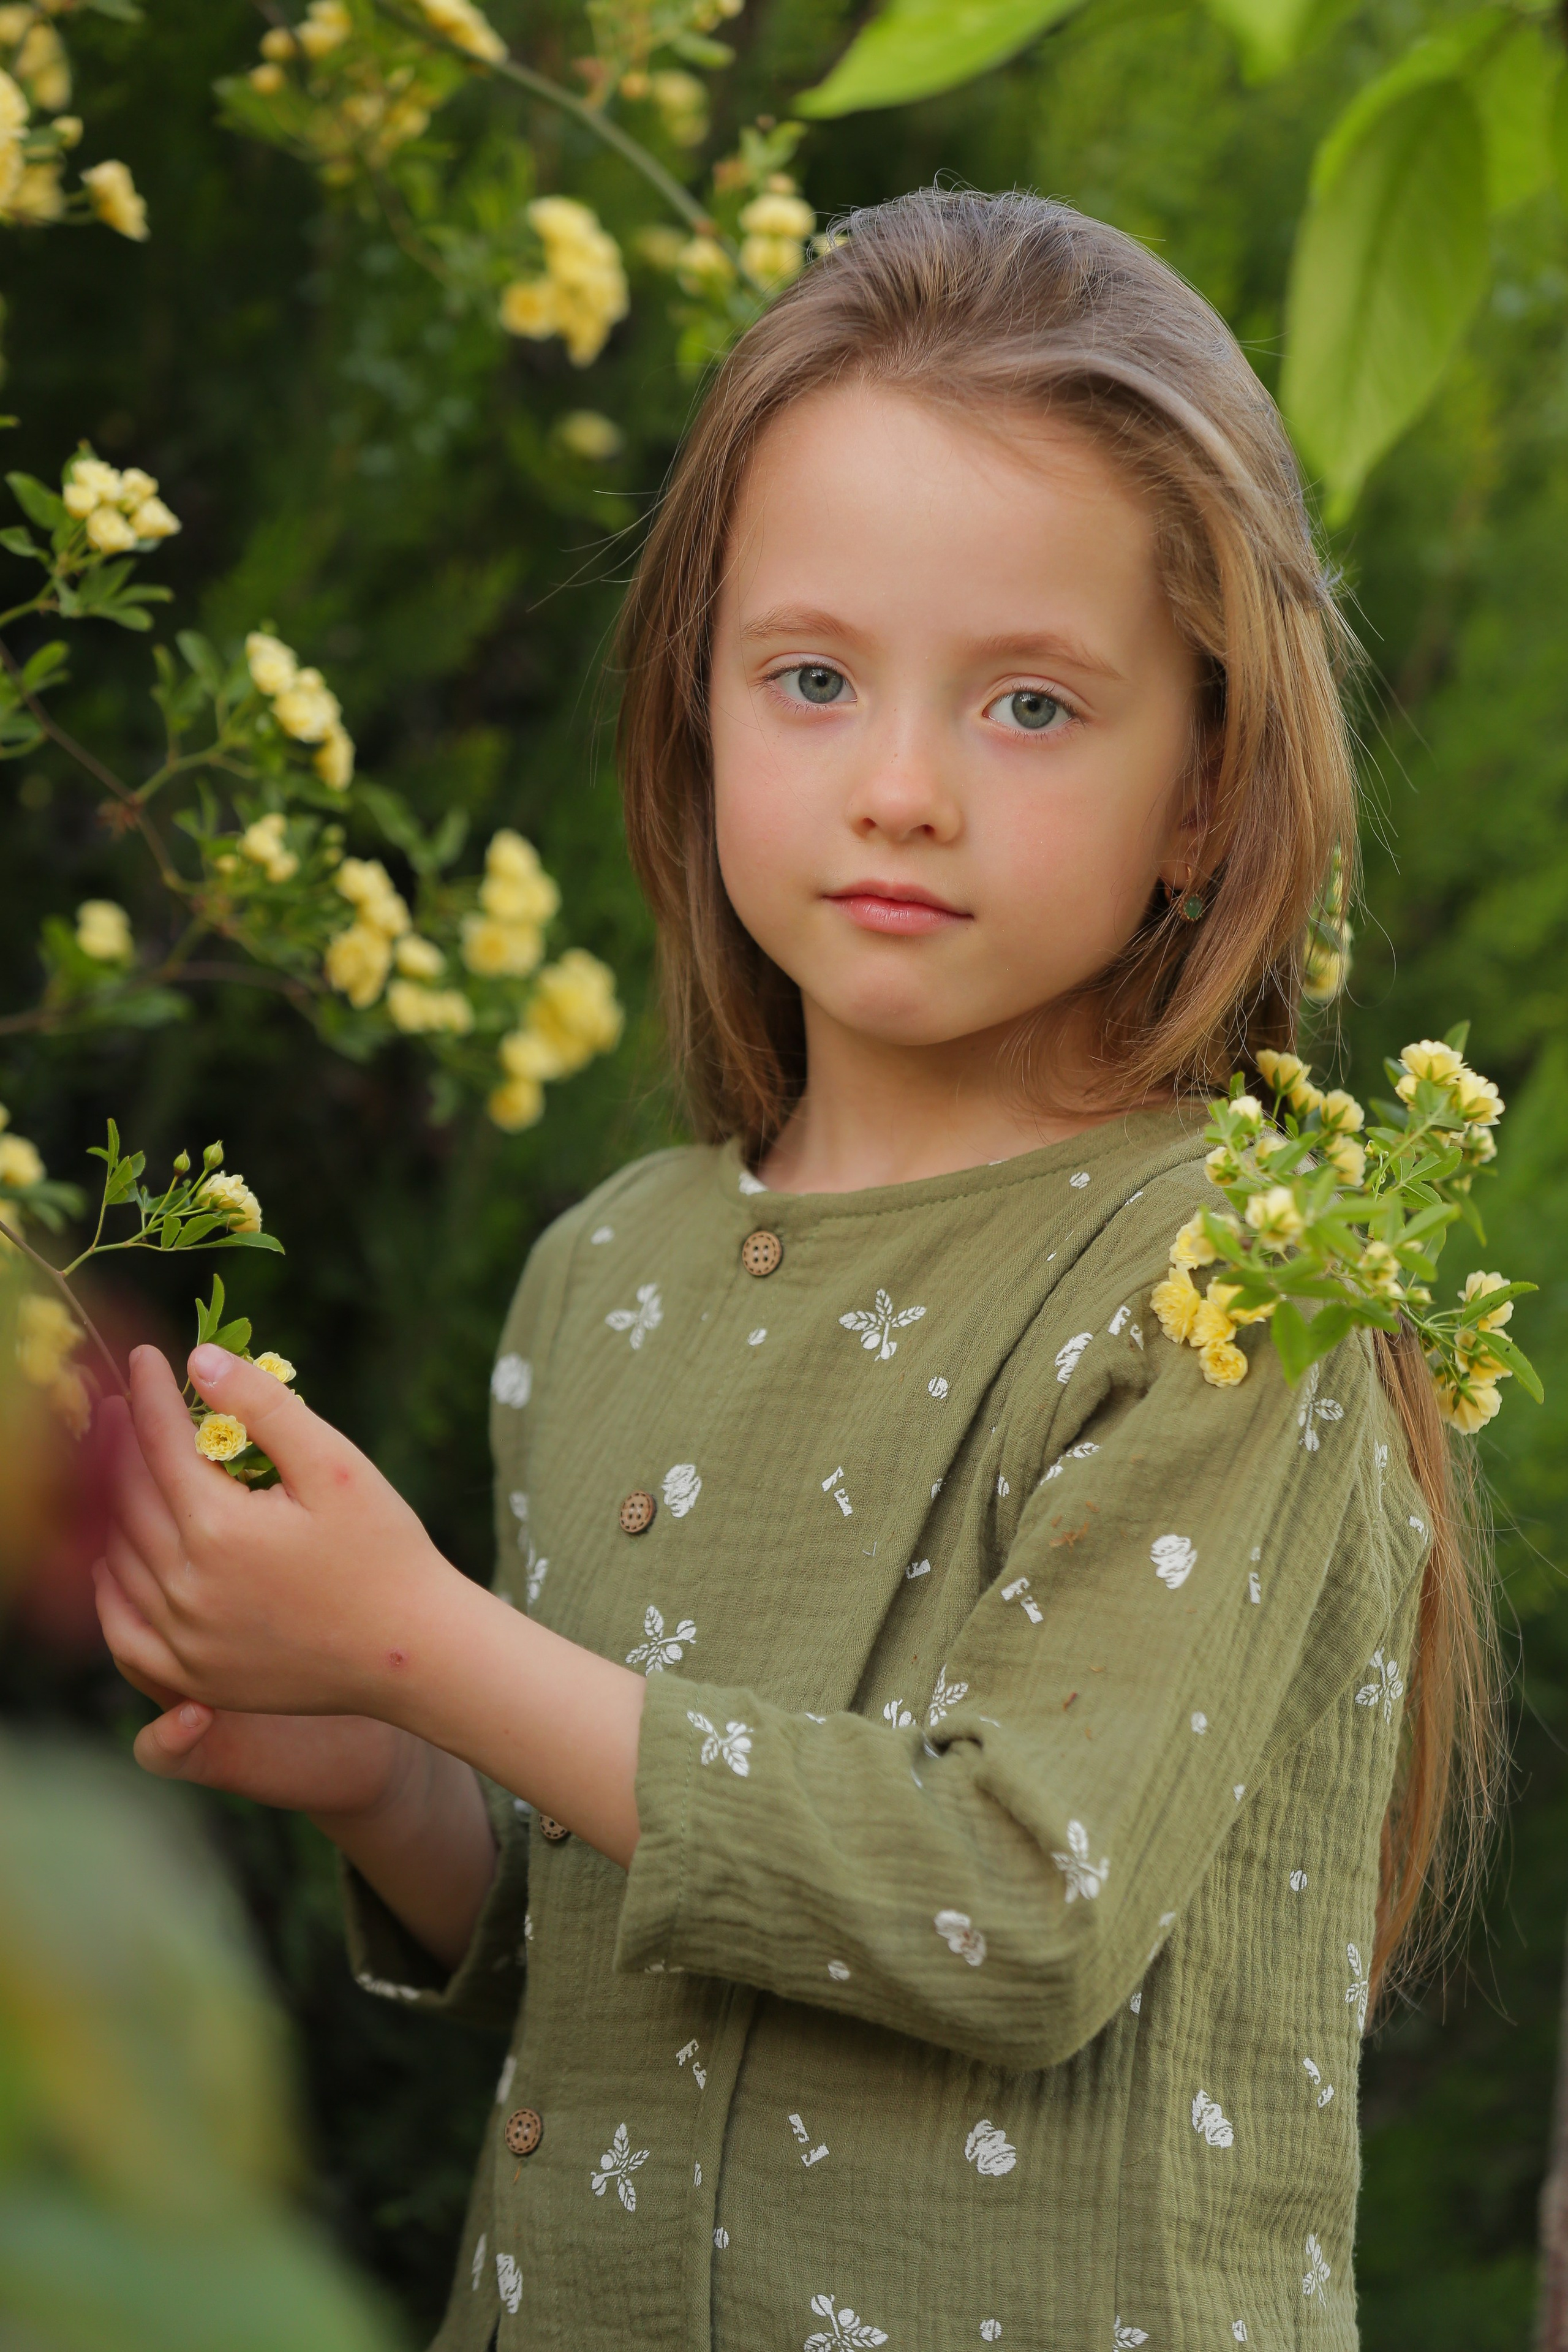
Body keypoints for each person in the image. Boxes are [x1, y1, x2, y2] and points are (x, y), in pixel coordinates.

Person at [94, 190, 1496, 2351]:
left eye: (1031, 705)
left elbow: (1021, 1901)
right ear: (703, 698)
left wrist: (428, 1646)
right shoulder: (607, 1272)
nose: (903, 789)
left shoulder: (1239, 1278)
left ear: (1204, 787)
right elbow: (625, 1917)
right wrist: (383, 1740)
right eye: (816, 678)